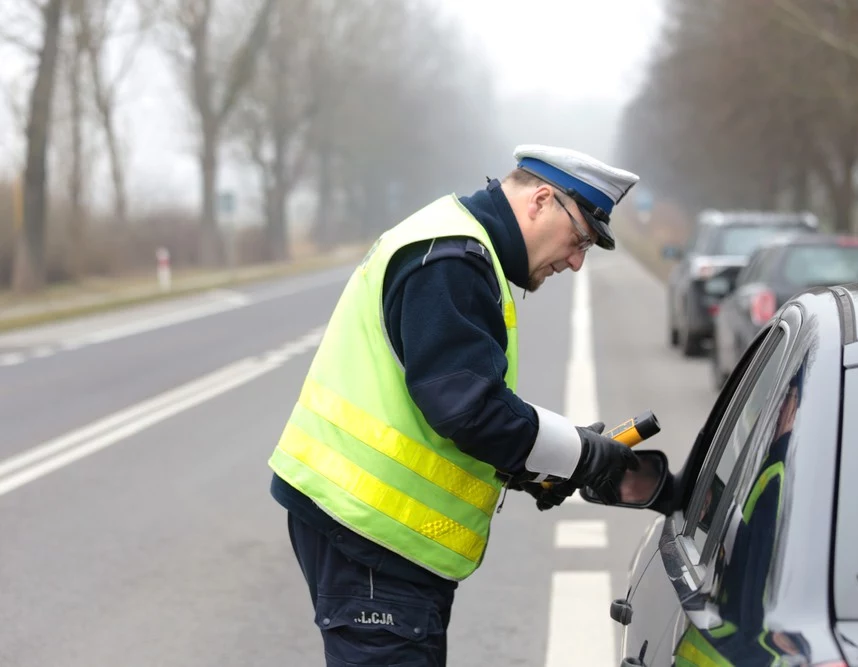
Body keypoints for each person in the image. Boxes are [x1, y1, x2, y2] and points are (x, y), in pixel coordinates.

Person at [267, 145, 643, 666]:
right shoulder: (451, 259)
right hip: (370, 530)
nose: (577, 261)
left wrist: (533, 467)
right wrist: (580, 454)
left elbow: (448, 405)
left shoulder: (460, 248)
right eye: (580, 239)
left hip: (371, 528)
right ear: (540, 201)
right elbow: (467, 409)